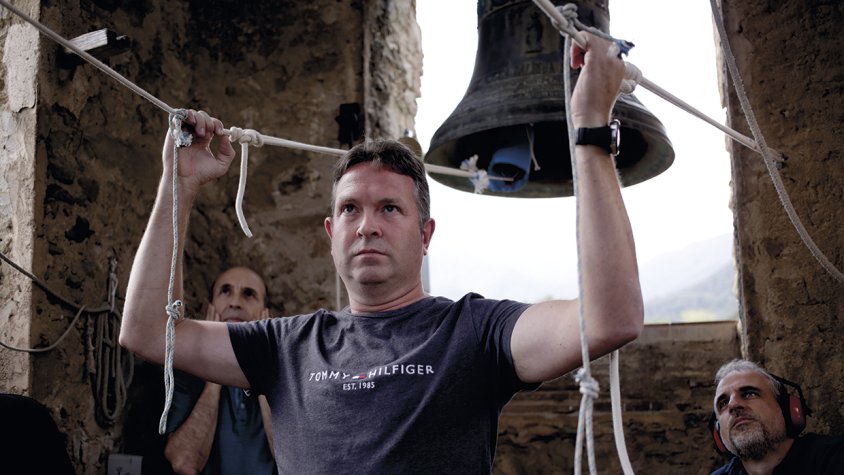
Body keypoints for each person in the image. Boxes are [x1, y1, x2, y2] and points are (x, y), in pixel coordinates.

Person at [120, 33, 643, 473]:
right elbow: (146, 331)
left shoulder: (474, 333)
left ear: (425, 235)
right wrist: (177, 185)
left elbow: (610, 318)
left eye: (390, 209)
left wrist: (590, 129)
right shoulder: (286, 347)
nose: (367, 225)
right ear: (331, 233)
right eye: (350, 209)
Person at [163, 267, 276, 475]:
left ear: (265, 313)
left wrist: (261, 358)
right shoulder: (186, 372)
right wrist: (216, 361)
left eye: (248, 294)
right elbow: (184, 462)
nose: (235, 303)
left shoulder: (286, 374)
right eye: (225, 291)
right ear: (211, 307)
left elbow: (298, 462)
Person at [710, 359, 844, 475]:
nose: (733, 405)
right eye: (723, 403)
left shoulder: (834, 457)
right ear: (718, 431)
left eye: (749, 394)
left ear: (786, 408)